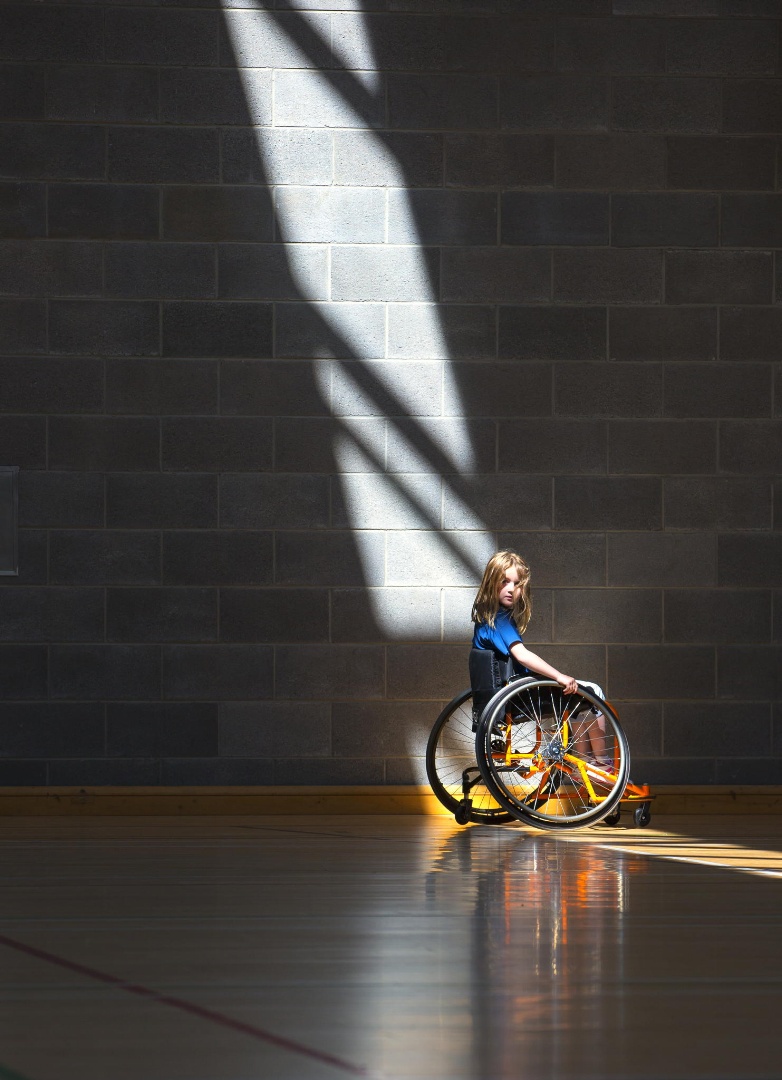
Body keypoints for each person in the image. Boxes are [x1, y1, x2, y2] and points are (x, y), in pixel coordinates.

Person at [470, 550, 608, 765]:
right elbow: (522, 656)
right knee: (593, 692)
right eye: (504, 581)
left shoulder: (485, 619)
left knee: (573, 698)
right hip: (523, 696)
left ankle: (586, 760)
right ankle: (601, 760)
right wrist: (558, 675)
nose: (510, 589)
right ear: (491, 582)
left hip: (508, 697)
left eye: (516, 584)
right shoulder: (501, 620)